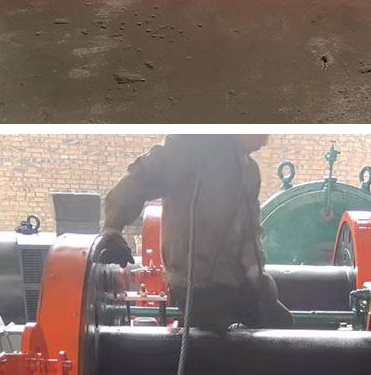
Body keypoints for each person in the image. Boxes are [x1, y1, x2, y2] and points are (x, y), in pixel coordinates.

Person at [103, 134, 292, 329]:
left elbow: (250, 234)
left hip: (231, 282)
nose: (265, 140)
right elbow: (140, 178)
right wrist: (112, 227)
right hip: (194, 285)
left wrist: (259, 279)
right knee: (217, 334)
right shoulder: (188, 151)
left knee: (280, 322)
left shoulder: (248, 171)